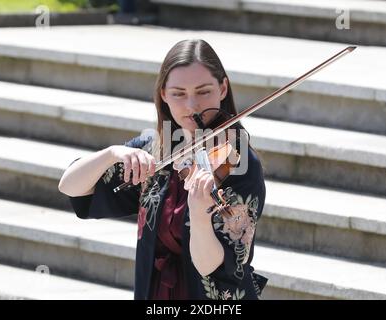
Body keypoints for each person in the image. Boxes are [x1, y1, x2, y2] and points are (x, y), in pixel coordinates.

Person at [58, 39, 268, 300]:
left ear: (222, 88)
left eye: (203, 91)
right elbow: (70, 186)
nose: (192, 106)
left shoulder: (239, 164)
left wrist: (200, 216)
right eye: (179, 93)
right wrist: (111, 154)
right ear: (163, 95)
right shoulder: (155, 149)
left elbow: (211, 266)